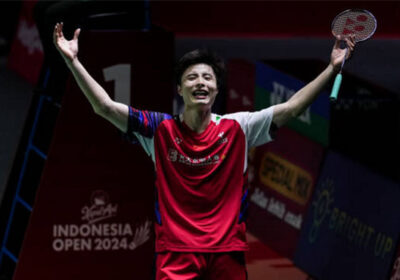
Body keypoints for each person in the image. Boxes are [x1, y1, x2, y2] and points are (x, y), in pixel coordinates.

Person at [53, 22, 355, 280]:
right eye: (192, 77)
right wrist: (73, 62)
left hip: (227, 253)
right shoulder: (158, 130)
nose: (201, 82)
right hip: (176, 254)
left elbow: (291, 108)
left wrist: (331, 68)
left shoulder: (239, 128)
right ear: (180, 89)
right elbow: (103, 106)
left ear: (216, 90)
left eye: (208, 78)